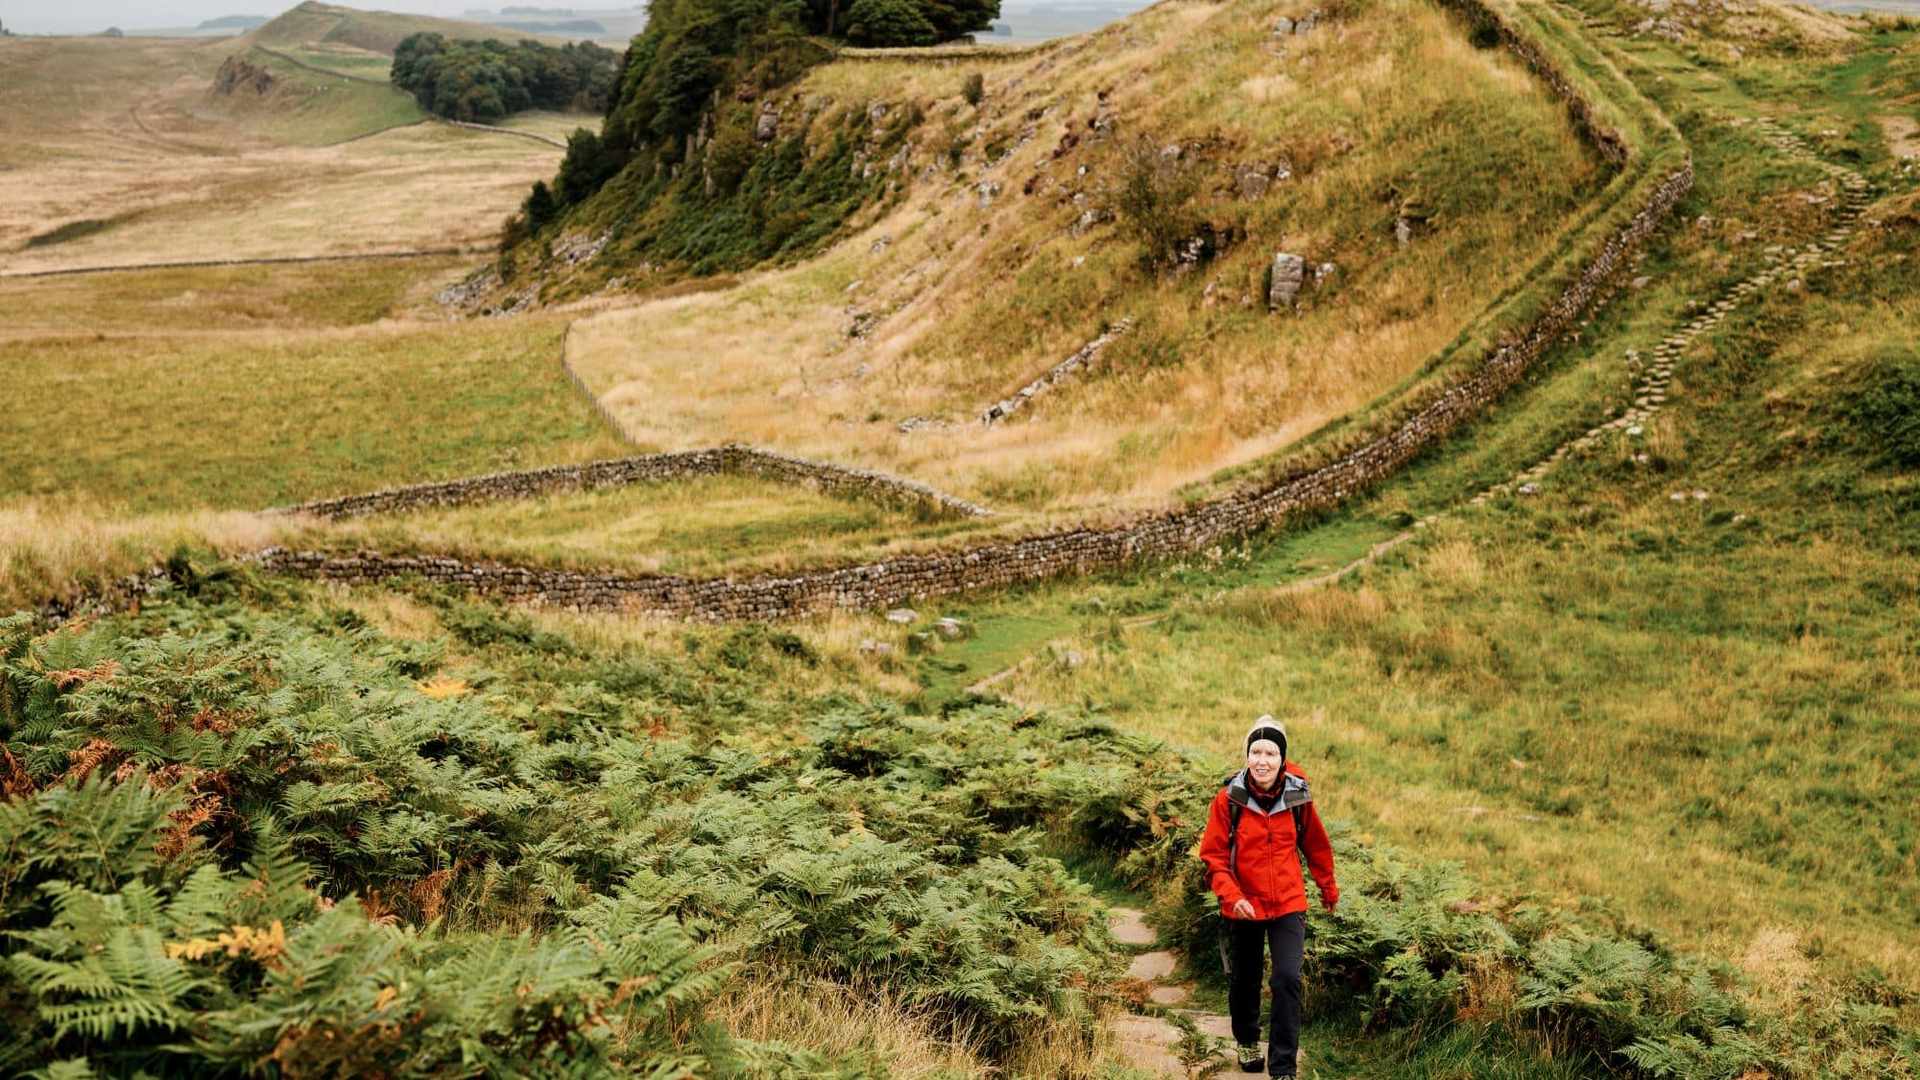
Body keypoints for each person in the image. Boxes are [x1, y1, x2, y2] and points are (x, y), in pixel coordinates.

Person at [1197, 715, 1339, 1077]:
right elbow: (1213, 857)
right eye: (1255, 752)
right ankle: (1246, 1041)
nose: (1262, 760)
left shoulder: (1297, 797)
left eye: (1270, 753)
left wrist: (1327, 886)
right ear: (1246, 756)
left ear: (1282, 758)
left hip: (1288, 902)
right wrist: (1231, 897)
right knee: (1245, 978)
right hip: (1243, 904)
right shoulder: (1229, 799)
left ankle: (1283, 1067)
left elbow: (1316, 844)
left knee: (1287, 979)